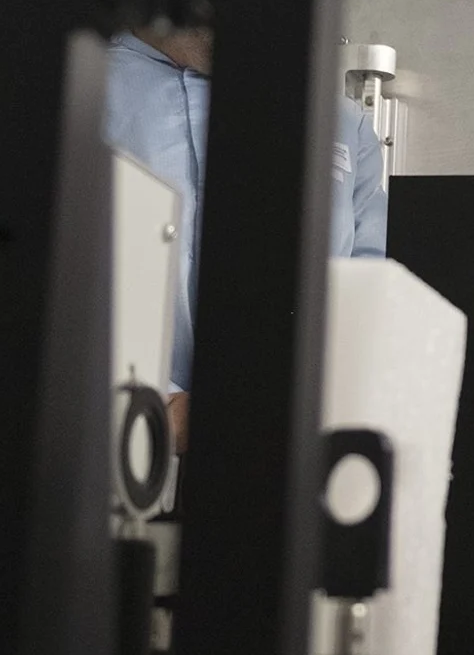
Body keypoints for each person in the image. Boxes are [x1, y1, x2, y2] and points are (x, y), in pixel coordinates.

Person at [103, 26, 388, 450]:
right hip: (117, 443)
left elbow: (370, 299)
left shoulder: (342, 123)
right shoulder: (77, 89)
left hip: (292, 449)